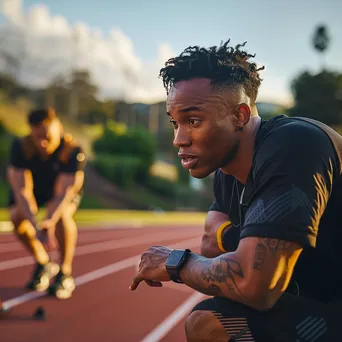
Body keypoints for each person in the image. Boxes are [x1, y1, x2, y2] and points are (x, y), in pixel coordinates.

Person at [130, 39, 342, 341]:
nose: (179, 139)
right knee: (216, 317)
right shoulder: (227, 169)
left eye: (193, 121)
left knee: (210, 322)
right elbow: (208, 244)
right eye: (175, 123)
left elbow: (254, 285)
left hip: (331, 304)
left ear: (240, 115)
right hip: (317, 297)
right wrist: (239, 246)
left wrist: (175, 262)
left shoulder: (294, 146)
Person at [7, 108, 86, 299]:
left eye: (46, 136)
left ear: (57, 127)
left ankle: (64, 273)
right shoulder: (21, 147)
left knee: (62, 216)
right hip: (34, 190)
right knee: (16, 217)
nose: (42, 143)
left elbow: (62, 194)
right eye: (36, 137)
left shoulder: (72, 150)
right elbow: (22, 191)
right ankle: (43, 262)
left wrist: (48, 222)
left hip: (60, 194)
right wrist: (35, 226)